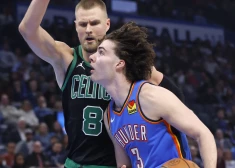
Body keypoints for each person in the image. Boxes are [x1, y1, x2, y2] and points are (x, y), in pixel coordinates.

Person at [19, 0, 185, 167]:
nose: (88, 29)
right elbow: (27, 29)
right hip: (75, 163)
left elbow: (174, 96)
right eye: (83, 24)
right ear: (76, 26)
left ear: (107, 25)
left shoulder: (125, 62)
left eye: (94, 23)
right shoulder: (67, 58)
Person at [89, 22, 217, 168]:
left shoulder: (151, 96)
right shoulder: (108, 116)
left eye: (101, 52)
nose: (92, 57)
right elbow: (124, 165)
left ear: (119, 64)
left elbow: (203, 134)